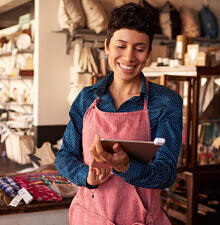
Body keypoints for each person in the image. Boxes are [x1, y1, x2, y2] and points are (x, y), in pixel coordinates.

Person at [55, 3, 183, 225]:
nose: (129, 57)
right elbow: (65, 156)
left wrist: (126, 167)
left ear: (149, 52)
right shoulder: (87, 98)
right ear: (106, 46)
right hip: (90, 217)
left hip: (140, 219)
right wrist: (85, 176)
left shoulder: (165, 102)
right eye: (121, 46)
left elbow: (166, 174)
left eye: (139, 48)